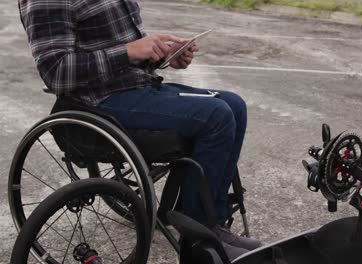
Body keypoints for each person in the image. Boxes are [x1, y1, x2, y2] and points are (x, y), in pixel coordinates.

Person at [19, 0, 260, 259]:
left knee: (234, 105)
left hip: (137, 87)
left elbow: (122, 52)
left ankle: (213, 222)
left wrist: (161, 54)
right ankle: (198, 240)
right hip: (98, 101)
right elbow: (55, 72)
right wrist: (130, 51)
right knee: (217, 116)